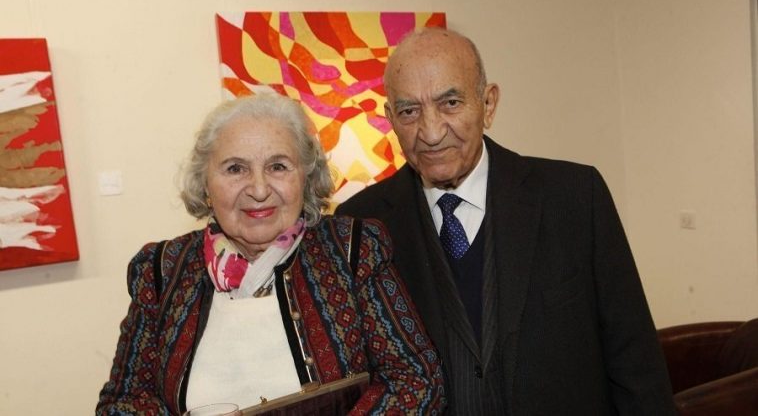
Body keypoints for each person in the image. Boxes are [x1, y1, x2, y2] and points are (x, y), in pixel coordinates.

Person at [336, 28, 676, 415]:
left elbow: (636, 363)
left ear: (488, 104)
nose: (430, 132)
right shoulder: (358, 226)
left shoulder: (575, 197)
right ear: (390, 119)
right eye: (409, 111)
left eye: (450, 103)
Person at [97, 93, 445, 415]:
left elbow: (415, 379)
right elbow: (124, 401)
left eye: (278, 166)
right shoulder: (163, 270)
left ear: (306, 177)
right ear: (205, 183)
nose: (259, 189)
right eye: (235, 169)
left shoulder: (352, 250)